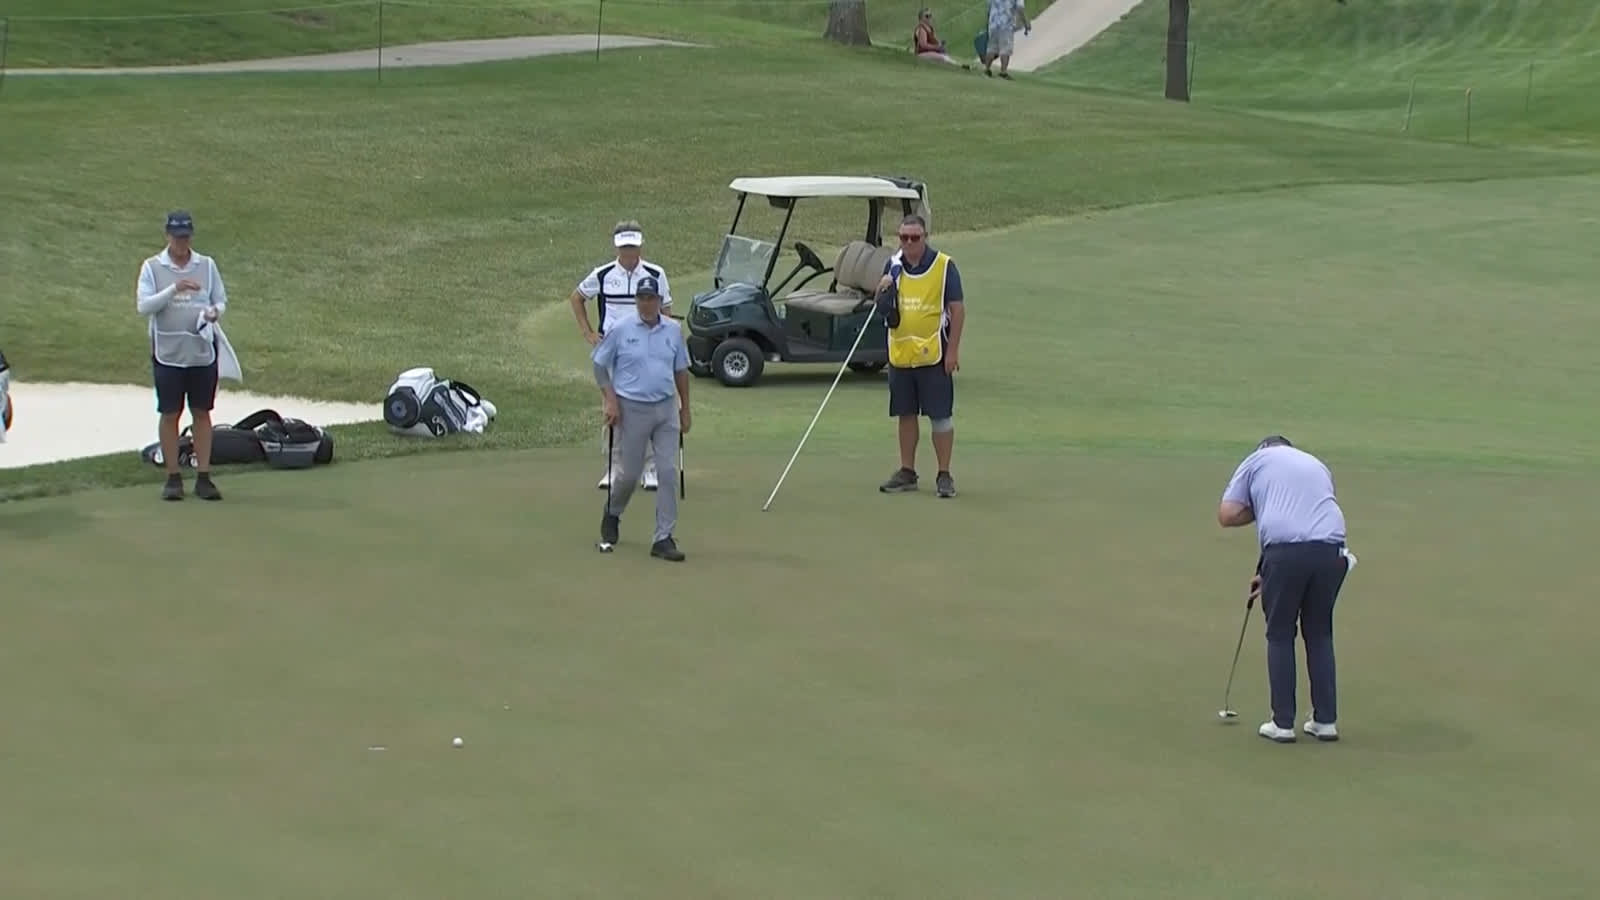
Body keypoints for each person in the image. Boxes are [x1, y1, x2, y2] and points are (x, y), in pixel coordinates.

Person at [1218, 435, 1354, 744]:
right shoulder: (1315, 463)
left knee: (1279, 633)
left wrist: (1260, 503)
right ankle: (1325, 721)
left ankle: (1282, 723)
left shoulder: (1256, 461)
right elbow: (1304, 518)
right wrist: (1267, 573)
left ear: (1264, 448)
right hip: (1331, 552)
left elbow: (1227, 515)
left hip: (1286, 554)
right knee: (1319, 633)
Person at [135, 210, 241, 502]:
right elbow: (144, 307)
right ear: (167, 235)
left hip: (201, 353)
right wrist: (174, 288)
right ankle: (173, 477)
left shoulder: (206, 265)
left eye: (186, 237)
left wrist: (214, 312)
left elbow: (219, 299)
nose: (182, 243)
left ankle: (204, 477)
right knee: (170, 413)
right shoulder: (153, 268)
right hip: (168, 354)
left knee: (202, 413)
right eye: (177, 237)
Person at [591, 275, 691, 563]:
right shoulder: (621, 329)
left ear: (660, 301)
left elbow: (681, 370)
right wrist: (610, 399)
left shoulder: (673, 330)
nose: (646, 304)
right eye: (641, 298)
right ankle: (613, 512)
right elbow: (599, 364)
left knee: (667, 473)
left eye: (651, 298)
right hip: (631, 409)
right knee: (630, 474)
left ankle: (663, 537)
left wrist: (685, 408)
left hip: (665, 408)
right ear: (636, 301)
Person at [569, 220, 674, 493]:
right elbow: (577, 298)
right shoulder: (603, 274)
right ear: (617, 246)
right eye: (624, 246)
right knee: (613, 409)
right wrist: (588, 333)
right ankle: (614, 468)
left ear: (640, 245)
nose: (629, 251)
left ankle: (650, 468)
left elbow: (667, 311)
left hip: (648, 350)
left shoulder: (655, 273)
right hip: (614, 352)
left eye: (633, 245)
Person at [873, 214, 965, 499]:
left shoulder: (944, 266)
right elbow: (882, 304)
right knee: (905, 414)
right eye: (904, 238)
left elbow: (957, 310)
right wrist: (882, 287)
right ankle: (907, 471)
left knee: (940, 417)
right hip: (901, 354)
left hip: (934, 354)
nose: (909, 243)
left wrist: (953, 351)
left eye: (915, 237)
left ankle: (944, 474)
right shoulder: (894, 265)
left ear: (925, 237)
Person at [980, 0, 1031, 79]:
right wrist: (1026, 22)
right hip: (1006, 24)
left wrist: (988, 22)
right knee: (1005, 49)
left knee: (992, 48)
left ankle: (987, 69)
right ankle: (1003, 72)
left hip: (993, 23)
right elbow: (1020, 8)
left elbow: (989, 6)